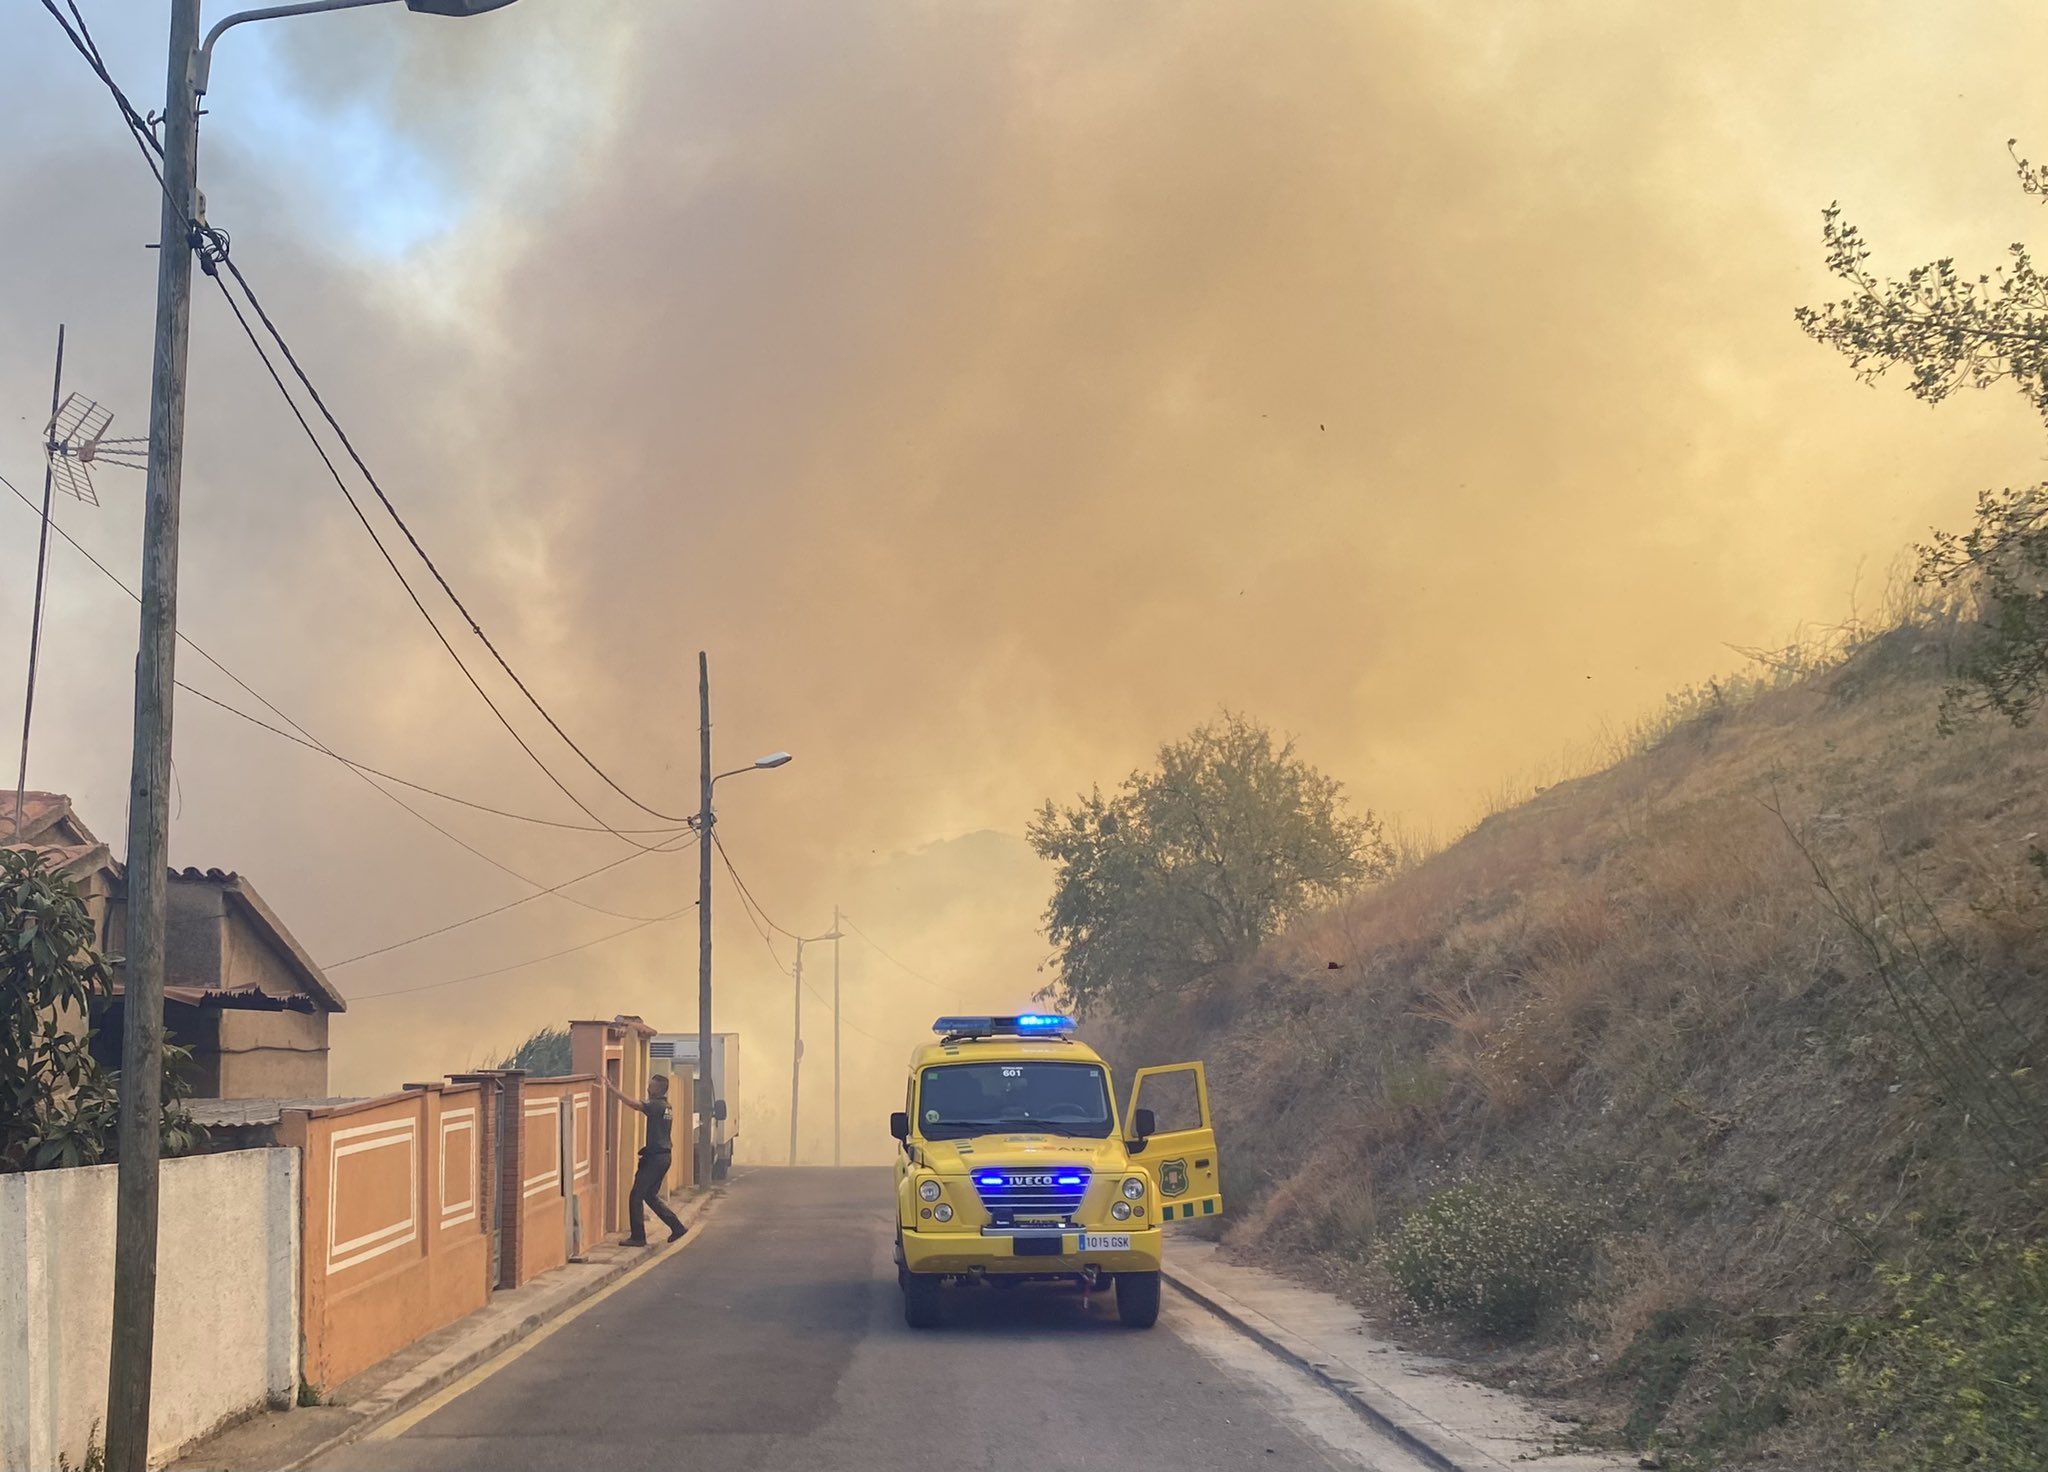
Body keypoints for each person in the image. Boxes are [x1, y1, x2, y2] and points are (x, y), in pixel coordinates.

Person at [604, 1073, 688, 1246]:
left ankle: (638, 1237)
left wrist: (612, 1090)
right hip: (664, 1157)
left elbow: (635, 1105)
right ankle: (677, 1227)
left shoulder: (656, 1105)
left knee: (636, 1195)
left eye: (651, 1086)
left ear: (658, 1089)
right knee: (650, 1195)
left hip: (655, 1159)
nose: (648, 1089)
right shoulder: (667, 1107)